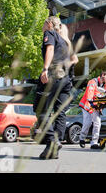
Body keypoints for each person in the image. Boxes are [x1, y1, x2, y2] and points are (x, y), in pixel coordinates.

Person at [34, 16, 73, 160]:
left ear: (49, 24)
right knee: (60, 112)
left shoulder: (50, 34)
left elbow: (49, 49)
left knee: (40, 109)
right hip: (65, 79)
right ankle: (53, 148)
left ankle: (52, 139)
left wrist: (45, 69)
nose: (43, 26)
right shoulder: (65, 41)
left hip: (53, 75)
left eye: (44, 23)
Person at [78, 71, 106, 149]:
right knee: (87, 123)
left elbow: (105, 94)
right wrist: (91, 103)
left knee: (97, 124)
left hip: (95, 106)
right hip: (87, 105)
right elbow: (90, 94)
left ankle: (94, 143)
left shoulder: (104, 85)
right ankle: (82, 138)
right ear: (102, 75)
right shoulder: (93, 82)